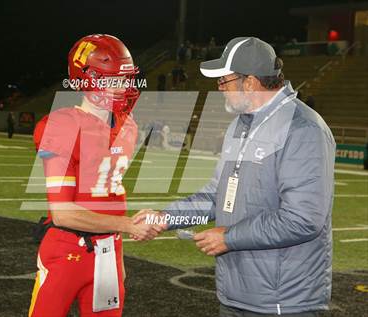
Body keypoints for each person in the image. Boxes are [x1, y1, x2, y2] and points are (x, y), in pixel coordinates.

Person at [134, 37, 336, 316]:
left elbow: (303, 219)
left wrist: (230, 237)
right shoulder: (240, 126)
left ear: (250, 82)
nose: (220, 90)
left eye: (224, 82)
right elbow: (217, 196)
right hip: (236, 294)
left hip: (283, 302)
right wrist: (166, 218)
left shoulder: (302, 129)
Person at [28, 34, 162, 317]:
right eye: (114, 79)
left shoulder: (128, 125)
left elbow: (115, 196)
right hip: (67, 250)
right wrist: (127, 226)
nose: (124, 87)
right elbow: (63, 213)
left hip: (108, 252)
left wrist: (119, 256)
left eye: (126, 79)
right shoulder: (62, 126)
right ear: (87, 79)